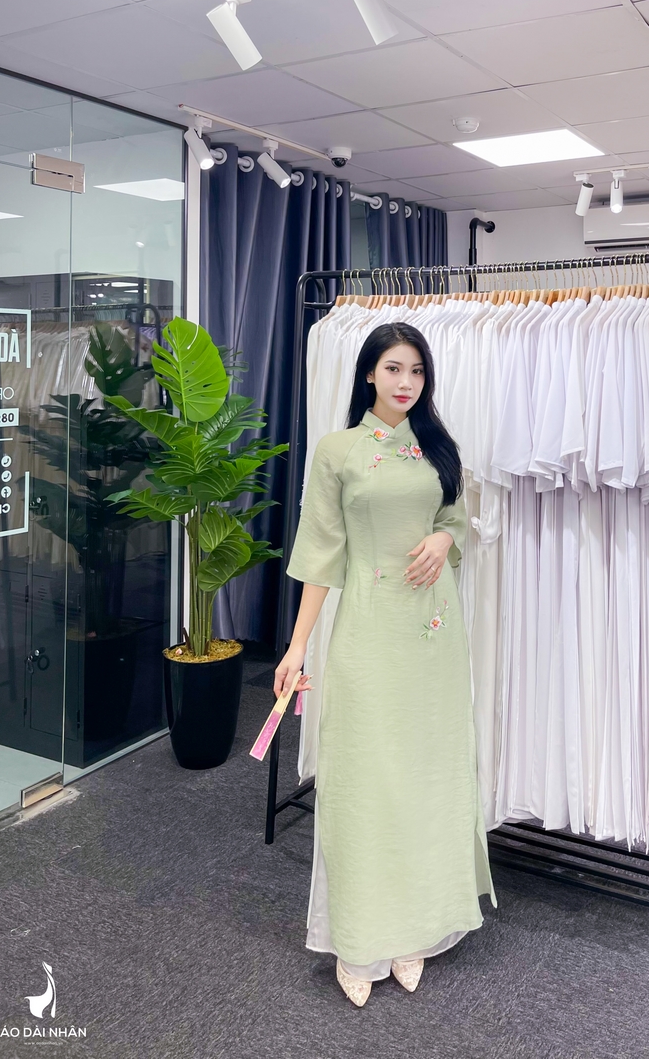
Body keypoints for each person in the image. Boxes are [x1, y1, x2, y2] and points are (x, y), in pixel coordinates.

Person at [274, 321, 497, 1007]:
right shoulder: (338, 451)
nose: (406, 382)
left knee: (427, 777)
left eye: (417, 371)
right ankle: (359, 936)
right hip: (368, 632)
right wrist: (297, 646)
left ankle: (416, 926)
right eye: (394, 368)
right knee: (363, 780)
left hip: (431, 634)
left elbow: (457, 522)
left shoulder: (437, 448)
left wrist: (443, 538)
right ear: (369, 372)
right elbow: (320, 554)